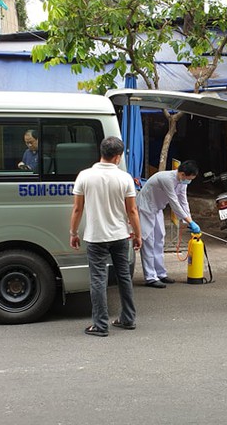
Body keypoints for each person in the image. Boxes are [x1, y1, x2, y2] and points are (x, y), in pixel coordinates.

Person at [69, 137, 142, 337]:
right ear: (118, 157)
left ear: (101, 152)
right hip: (120, 236)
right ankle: (128, 319)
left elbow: (77, 209)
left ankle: (100, 325)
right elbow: (132, 211)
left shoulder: (85, 176)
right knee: (124, 277)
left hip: (95, 237)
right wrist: (137, 234)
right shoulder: (125, 178)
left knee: (98, 280)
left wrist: (73, 233)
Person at [136, 160, 201, 288]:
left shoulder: (182, 182)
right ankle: (150, 277)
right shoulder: (166, 179)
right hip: (145, 208)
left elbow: (183, 200)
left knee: (159, 239)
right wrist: (190, 221)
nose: (189, 181)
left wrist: (189, 220)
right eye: (189, 178)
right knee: (149, 241)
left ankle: (160, 273)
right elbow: (174, 203)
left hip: (157, 208)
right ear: (182, 174)